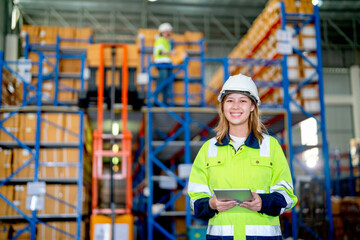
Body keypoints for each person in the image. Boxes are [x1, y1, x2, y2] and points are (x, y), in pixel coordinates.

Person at [188, 74, 297, 239]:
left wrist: (263, 202)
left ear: (253, 106)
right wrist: (212, 204)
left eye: (243, 101)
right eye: (230, 100)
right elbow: (195, 201)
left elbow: (287, 195)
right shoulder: (209, 149)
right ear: (223, 106)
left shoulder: (270, 146)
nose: (235, 106)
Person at [153, 22, 175, 105]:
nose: (170, 32)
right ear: (164, 31)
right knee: (162, 82)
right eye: (169, 31)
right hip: (161, 63)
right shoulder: (160, 40)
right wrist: (171, 52)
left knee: (167, 83)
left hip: (167, 63)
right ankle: (154, 99)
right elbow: (160, 52)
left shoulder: (166, 41)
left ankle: (165, 102)